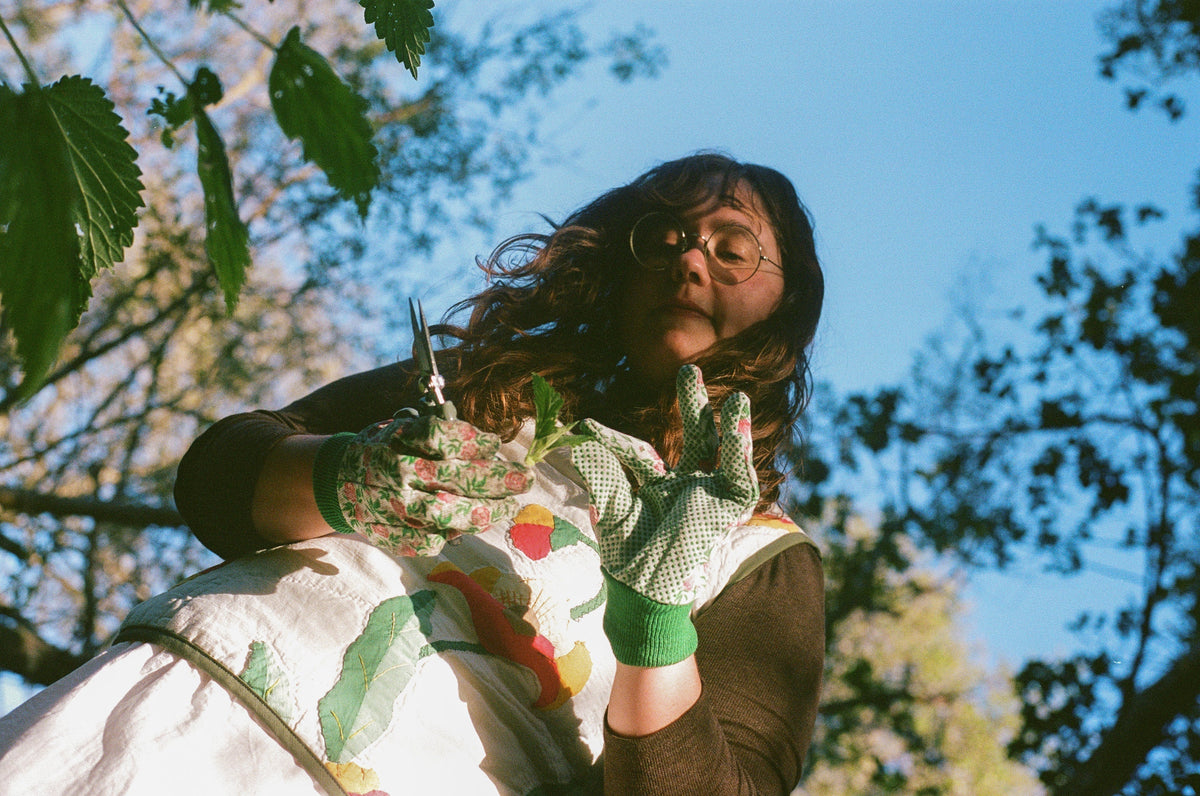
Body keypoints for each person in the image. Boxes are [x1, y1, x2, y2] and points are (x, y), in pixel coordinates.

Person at [0, 152, 825, 795]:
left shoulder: (760, 555)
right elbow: (215, 478)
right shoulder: (485, 384)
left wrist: (657, 632)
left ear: (786, 304)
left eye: (734, 248)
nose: (690, 262)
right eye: (665, 237)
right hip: (173, 710)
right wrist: (346, 477)